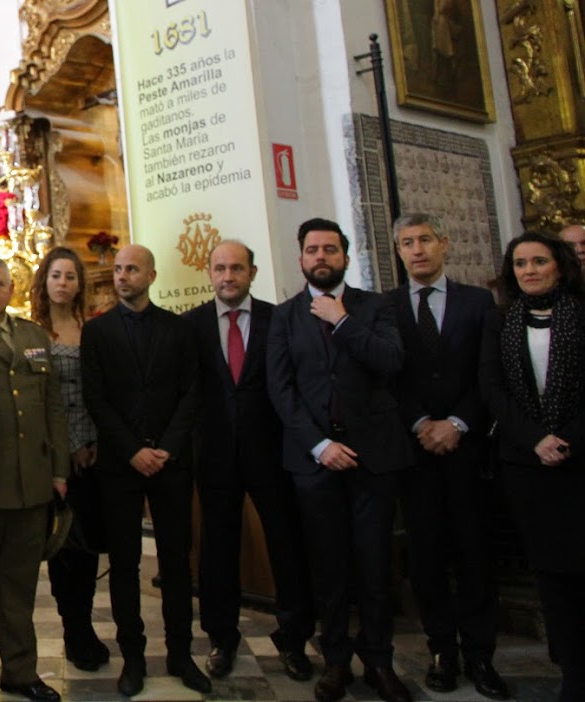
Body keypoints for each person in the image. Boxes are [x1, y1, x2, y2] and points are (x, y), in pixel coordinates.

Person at [267, 218, 413, 702]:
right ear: (302, 259)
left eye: (330, 249)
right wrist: (319, 445)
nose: (321, 257)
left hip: (374, 458)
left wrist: (342, 320)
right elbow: (281, 390)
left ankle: (379, 661)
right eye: (312, 250)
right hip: (315, 461)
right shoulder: (285, 316)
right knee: (327, 568)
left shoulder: (377, 306)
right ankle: (334, 661)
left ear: (345, 257)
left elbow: (391, 361)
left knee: (374, 566)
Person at [181, 240, 315, 682]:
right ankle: (222, 637)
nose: (228, 276)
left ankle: (294, 639)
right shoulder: (192, 325)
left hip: (273, 453)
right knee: (217, 550)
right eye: (220, 268)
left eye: (237, 268)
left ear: (252, 273)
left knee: (288, 546)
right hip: (216, 454)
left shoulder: (279, 319)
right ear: (209, 272)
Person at [386, 214, 508, 698]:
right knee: (428, 554)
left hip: (467, 450)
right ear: (398, 251)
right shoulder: (386, 307)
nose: (417, 250)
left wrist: (457, 423)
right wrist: (420, 423)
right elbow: (390, 379)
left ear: (445, 244)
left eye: (425, 241)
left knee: (476, 553)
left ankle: (481, 655)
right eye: (407, 243)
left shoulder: (478, 303)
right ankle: (442, 650)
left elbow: (489, 374)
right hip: (415, 454)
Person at [81, 244, 210, 696]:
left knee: (176, 562)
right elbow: (96, 399)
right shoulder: (96, 333)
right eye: (118, 269)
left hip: (171, 465)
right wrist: (133, 450)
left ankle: (180, 654)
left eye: (132, 269)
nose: (122, 276)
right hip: (120, 465)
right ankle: (132, 658)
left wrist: (167, 449)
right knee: (124, 565)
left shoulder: (179, 329)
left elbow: (192, 394)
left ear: (151, 276)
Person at [0, 254, 69, 702]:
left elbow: (53, 407)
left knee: (20, 589)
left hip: (32, 482)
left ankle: (22, 672)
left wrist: (59, 469)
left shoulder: (31, 334)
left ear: (11, 289)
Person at [480, 231, 585, 702]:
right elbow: (493, 389)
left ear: (559, 266)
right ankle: (573, 673)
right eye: (520, 263)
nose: (529, 270)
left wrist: (567, 440)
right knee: (552, 576)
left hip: (579, 459)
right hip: (526, 464)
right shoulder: (500, 320)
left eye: (539, 261)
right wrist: (535, 439)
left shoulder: (581, 313)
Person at [32, 247, 109, 672]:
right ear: (44, 281)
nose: (63, 283)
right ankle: (73, 628)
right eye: (56, 275)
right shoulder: (33, 333)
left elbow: (100, 393)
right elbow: (44, 403)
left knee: (90, 546)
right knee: (64, 545)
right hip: (54, 456)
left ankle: (85, 623)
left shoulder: (91, 331)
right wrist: (68, 447)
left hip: (93, 456)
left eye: (71, 276)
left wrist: (93, 442)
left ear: (80, 284)